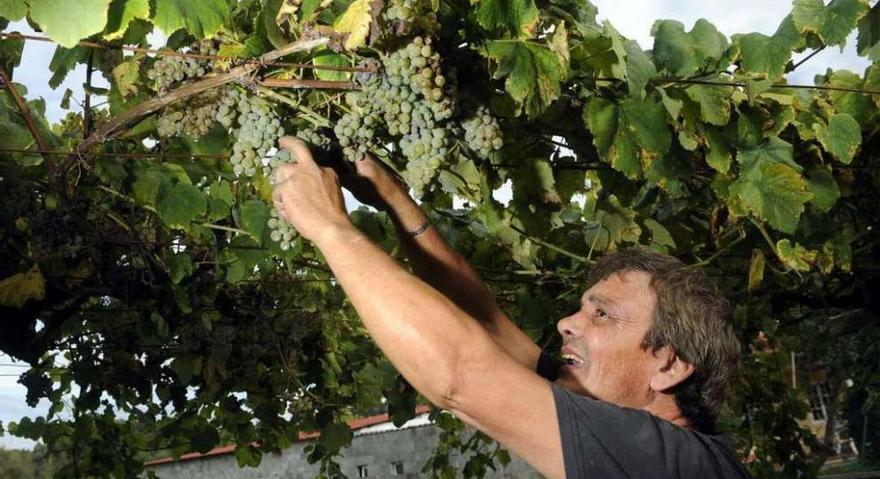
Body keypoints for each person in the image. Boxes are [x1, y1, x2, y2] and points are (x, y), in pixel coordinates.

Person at [271, 136, 752, 478]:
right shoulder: (610, 418)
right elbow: (485, 320)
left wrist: (330, 228)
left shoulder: (676, 464)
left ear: (668, 363)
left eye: (601, 314)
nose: (566, 323)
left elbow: (460, 375)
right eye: (582, 308)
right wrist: (396, 202)